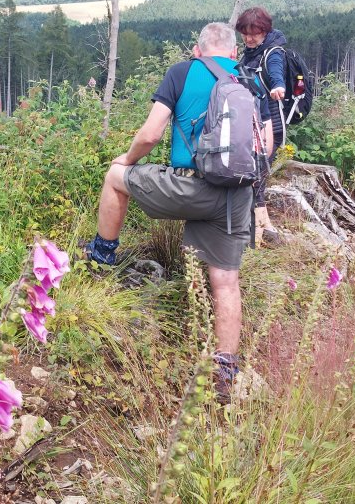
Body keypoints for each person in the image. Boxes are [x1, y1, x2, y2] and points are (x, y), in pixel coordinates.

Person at [83, 22, 272, 402]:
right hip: (235, 198)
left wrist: (128, 158)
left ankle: (100, 259)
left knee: (115, 177)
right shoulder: (252, 80)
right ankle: (224, 370)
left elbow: (152, 134)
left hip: (188, 186)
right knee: (226, 283)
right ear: (234, 52)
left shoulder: (183, 72)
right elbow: (264, 147)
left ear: (197, 49)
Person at [235, 7, 286, 244]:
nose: (249, 38)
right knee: (253, 177)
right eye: (245, 33)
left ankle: (261, 233)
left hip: (269, 126)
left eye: (254, 33)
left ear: (265, 30)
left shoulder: (272, 53)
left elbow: (276, 74)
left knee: (257, 177)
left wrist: (278, 87)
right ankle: (260, 230)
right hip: (252, 123)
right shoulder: (249, 53)